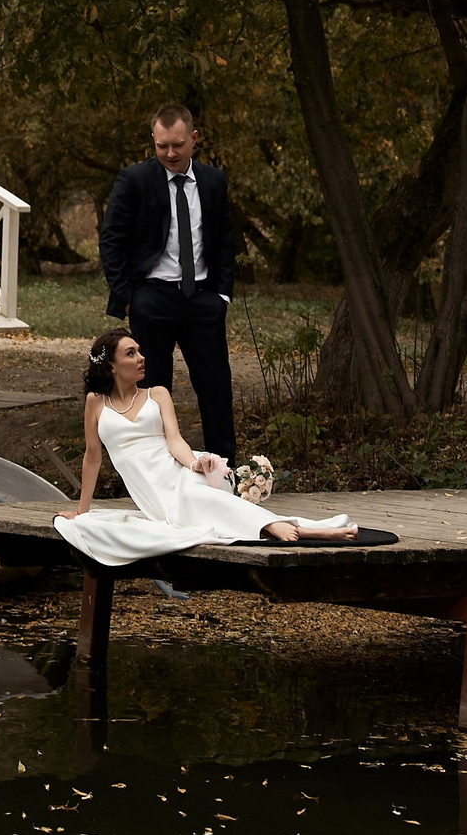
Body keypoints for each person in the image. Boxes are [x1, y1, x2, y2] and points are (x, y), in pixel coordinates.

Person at [55, 330, 356, 563]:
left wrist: (194, 464)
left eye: (140, 351)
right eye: (131, 353)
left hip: (181, 468)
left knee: (191, 493)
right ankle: (283, 527)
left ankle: (290, 528)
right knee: (187, 508)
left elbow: (175, 441)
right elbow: (92, 456)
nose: (141, 358)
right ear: (111, 366)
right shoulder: (96, 402)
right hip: (152, 489)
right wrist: (82, 510)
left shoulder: (157, 394)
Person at [99, 103, 241, 464]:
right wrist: (130, 299)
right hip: (152, 300)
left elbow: (225, 240)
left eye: (177, 145)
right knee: (151, 392)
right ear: (154, 140)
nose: (170, 153)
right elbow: (111, 240)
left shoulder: (213, 181)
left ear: (194, 138)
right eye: (162, 146)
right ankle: (157, 473)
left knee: (215, 389)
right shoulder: (135, 179)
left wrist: (222, 294)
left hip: (204, 299)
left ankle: (227, 474)